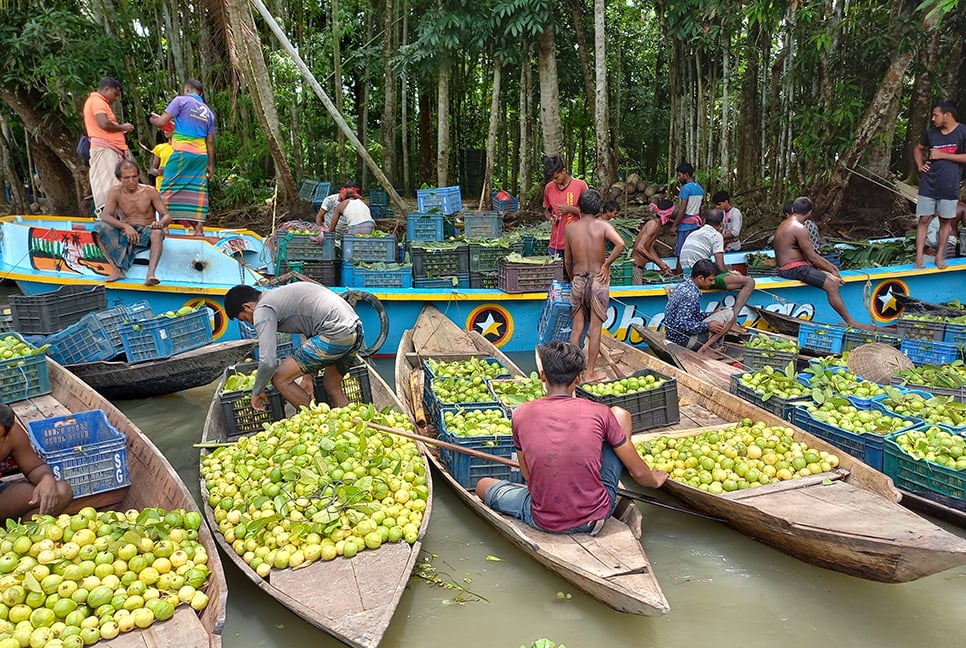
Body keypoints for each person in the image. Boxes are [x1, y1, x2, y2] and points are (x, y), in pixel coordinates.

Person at [475, 341, 667, 535]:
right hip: (595, 517)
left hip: (542, 518)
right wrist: (654, 481)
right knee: (620, 415)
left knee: (482, 485)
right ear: (579, 378)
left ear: (543, 376)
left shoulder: (520, 414)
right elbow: (639, 474)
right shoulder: (600, 412)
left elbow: (527, 476)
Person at [224, 283, 364, 409]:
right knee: (332, 386)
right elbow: (311, 328)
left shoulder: (262, 309)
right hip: (355, 330)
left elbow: (268, 362)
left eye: (245, 318)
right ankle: (350, 425)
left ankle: (313, 421)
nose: (250, 323)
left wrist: (256, 391)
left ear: (247, 306)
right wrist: (308, 376)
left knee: (279, 378)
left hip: (335, 333)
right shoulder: (277, 296)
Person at [774, 196, 865, 327]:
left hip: (792, 266)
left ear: (793, 209)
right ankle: (851, 321)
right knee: (831, 285)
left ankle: (850, 320)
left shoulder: (785, 223)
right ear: (809, 212)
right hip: (792, 268)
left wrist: (828, 268)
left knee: (829, 275)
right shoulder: (799, 228)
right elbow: (812, 256)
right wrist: (831, 268)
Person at [564, 189, 625, 382]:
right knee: (595, 329)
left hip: (579, 278)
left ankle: (574, 374)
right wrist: (606, 264)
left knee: (577, 328)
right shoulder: (603, 225)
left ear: (579, 208)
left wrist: (572, 275)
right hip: (599, 279)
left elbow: (567, 260)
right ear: (598, 208)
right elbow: (621, 244)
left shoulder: (570, 228)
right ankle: (589, 373)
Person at [150, 79, 216, 236]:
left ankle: (164, 226)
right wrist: (211, 165)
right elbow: (211, 141)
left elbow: (161, 122)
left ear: (187, 89)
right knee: (198, 190)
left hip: (181, 153)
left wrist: (153, 120)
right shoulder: (208, 112)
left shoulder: (180, 101)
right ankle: (199, 229)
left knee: (167, 187)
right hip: (200, 156)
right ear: (200, 93)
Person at [93, 160, 171, 286]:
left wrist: (160, 223)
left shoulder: (149, 191)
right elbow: (105, 215)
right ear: (119, 178)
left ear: (138, 176)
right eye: (127, 178)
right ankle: (116, 270)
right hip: (126, 232)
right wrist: (125, 226)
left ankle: (150, 274)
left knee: (157, 233)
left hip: (147, 230)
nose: (131, 181)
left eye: (134, 177)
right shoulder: (115, 192)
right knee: (98, 228)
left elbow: (167, 215)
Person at [914, 99, 966, 269]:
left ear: (947, 115)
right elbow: (917, 149)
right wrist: (921, 165)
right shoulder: (932, 133)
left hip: (949, 185)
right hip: (929, 184)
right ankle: (919, 258)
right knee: (924, 219)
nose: (933, 118)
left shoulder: (962, 132)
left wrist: (942, 155)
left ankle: (939, 257)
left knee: (946, 221)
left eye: (935, 115)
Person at [0, 403, 73, 520]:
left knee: (61, 492)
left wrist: (46, 478)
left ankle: (23, 533)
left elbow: (34, 468)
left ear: (6, 436)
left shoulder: (14, 435)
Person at [663, 259, 748, 350]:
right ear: (701, 278)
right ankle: (704, 350)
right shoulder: (691, 294)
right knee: (729, 314)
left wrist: (711, 314)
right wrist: (708, 326)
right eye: (710, 280)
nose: (712, 283)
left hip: (673, 337)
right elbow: (681, 325)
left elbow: (692, 317)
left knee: (721, 315)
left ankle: (711, 347)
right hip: (682, 341)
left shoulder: (682, 286)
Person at [82, 77, 134, 215]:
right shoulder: (97, 101)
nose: (116, 98)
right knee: (110, 189)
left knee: (118, 186)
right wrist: (123, 126)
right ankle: (111, 221)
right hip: (105, 150)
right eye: (115, 94)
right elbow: (103, 123)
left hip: (111, 149)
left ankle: (119, 220)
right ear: (106, 89)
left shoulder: (100, 102)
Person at [543, 155, 589, 258]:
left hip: (577, 243)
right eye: (552, 179)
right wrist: (551, 218)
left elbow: (590, 214)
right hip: (556, 244)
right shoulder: (549, 188)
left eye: (556, 177)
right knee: (556, 273)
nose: (554, 181)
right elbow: (546, 210)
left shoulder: (580, 185)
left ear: (563, 171)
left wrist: (570, 209)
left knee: (576, 273)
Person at [670, 162, 704, 273]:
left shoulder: (685, 189)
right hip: (696, 224)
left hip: (685, 225)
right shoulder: (699, 188)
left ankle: (678, 275)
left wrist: (674, 225)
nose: (679, 178)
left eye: (679, 175)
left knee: (681, 251)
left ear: (686, 175)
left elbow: (682, 209)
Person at [631, 199, 674, 280]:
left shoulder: (657, 226)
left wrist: (662, 264)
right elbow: (639, 247)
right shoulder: (653, 224)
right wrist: (658, 262)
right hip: (636, 267)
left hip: (640, 268)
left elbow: (649, 247)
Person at [149, 128, 174, 192]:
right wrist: (158, 172)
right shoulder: (160, 147)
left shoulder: (185, 148)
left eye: (168, 128)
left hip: (178, 186)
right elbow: (152, 169)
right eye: (164, 128)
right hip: (162, 187)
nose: (165, 131)